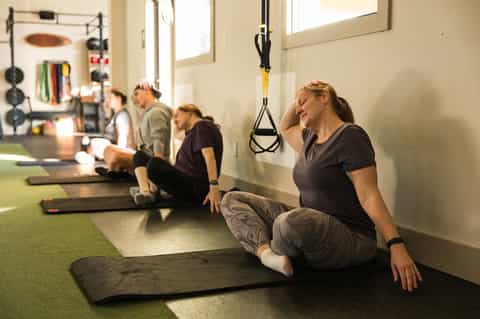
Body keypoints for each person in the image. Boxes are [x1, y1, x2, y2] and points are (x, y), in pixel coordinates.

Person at [221, 80, 422, 292]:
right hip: (308, 224)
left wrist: (395, 244)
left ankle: (278, 246)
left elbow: (369, 195)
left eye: (303, 102)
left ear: (324, 98)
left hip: (351, 236)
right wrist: (299, 98)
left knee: (288, 221)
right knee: (232, 199)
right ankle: (267, 254)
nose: (298, 109)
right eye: (297, 105)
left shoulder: (350, 136)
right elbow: (285, 127)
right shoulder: (308, 139)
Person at [130, 104, 223, 213]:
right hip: (186, 181)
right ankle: (146, 191)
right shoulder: (194, 132)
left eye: (177, 115)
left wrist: (214, 187)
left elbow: (209, 156)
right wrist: (177, 122)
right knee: (140, 155)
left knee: (155, 164)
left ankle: (152, 190)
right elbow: (177, 135)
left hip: (195, 188)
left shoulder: (202, 126)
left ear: (190, 113)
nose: (175, 120)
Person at [97, 81, 172, 174]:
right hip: (142, 157)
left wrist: (158, 169)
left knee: (114, 154)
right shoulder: (147, 113)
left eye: (137, 94)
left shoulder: (157, 112)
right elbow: (133, 101)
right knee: (108, 149)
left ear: (147, 91)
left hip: (150, 161)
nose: (135, 98)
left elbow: (159, 140)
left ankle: (117, 170)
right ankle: (116, 170)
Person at [81, 88, 136, 162]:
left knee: (93, 143)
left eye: (110, 97)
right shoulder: (115, 114)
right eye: (107, 97)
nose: (108, 100)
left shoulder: (122, 116)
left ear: (119, 99)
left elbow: (122, 139)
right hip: (112, 147)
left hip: (121, 151)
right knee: (87, 141)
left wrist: (120, 156)